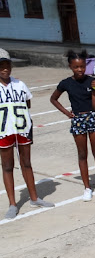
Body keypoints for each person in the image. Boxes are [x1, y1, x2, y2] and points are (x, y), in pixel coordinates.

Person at [50, 49, 95, 202]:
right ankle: (87, 188)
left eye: (82, 66)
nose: (80, 70)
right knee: (82, 154)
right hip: (77, 119)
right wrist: (66, 113)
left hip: (92, 117)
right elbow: (54, 99)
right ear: (70, 66)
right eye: (76, 67)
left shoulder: (92, 81)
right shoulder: (66, 83)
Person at [0, 48, 54, 219]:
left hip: (22, 129)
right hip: (4, 131)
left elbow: (27, 104)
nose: (5, 68)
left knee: (27, 163)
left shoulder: (20, 84)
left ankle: (34, 197)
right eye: (1, 65)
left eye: (7, 64)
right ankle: (12, 203)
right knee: (7, 166)